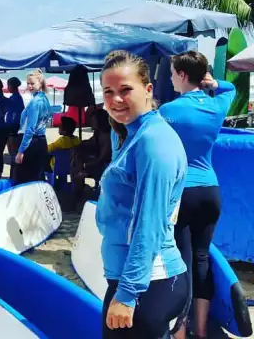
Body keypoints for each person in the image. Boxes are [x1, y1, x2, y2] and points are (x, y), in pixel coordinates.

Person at [96, 50, 188, 338]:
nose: (115, 100)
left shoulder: (153, 141)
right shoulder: (135, 134)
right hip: (143, 279)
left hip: (147, 281)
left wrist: (127, 294)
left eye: (125, 90)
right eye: (108, 92)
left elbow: (148, 223)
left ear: (148, 90)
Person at [159, 51, 236, 339]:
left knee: (180, 261)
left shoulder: (168, 111)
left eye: (171, 73)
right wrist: (211, 82)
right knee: (201, 259)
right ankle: (201, 331)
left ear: (181, 74)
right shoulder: (217, 105)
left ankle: (179, 332)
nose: (170, 78)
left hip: (183, 192)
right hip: (210, 191)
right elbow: (231, 88)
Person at [14, 70, 52, 183]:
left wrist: (21, 151)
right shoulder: (45, 99)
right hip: (41, 141)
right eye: (28, 83)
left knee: (24, 179)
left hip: (32, 143)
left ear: (40, 83)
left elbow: (30, 129)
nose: (29, 86)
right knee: (38, 177)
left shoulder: (35, 102)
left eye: (32, 83)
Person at [5, 77, 25, 174]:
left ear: (12, 86)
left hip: (13, 127)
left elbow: (14, 114)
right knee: (14, 152)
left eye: (8, 85)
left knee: (13, 152)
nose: (7, 87)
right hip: (16, 126)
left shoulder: (14, 98)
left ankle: (15, 173)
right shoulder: (18, 97)